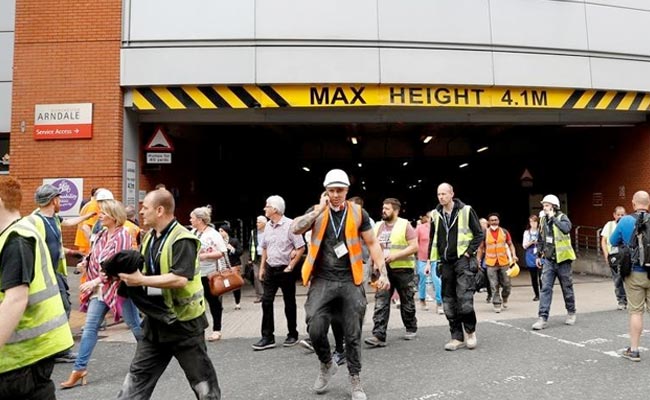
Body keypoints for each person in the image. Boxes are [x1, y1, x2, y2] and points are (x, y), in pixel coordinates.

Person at [291, 168, 390, 400]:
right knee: (314, 326)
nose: (335, 194)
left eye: (340, 190)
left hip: (350, 279)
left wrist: (381, 272)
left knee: (352, 333)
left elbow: (373, 243)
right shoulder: (316, 211)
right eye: (331, 190)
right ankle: (326, 363)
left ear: (347, 191)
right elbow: (296, 228)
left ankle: (355, 379)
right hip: (323, 279)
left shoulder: (358, 213)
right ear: (325, 191)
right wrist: (318, 211)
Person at [117, 189, 221, 399]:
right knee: (135, 382)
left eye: (145, 207)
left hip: (184, 326)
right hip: (156, 323)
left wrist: (141, 281)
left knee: (204, 387)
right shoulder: (149, 238)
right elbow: (149, 272)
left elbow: (180, 279)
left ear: (160, 210)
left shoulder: (183, 239)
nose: (141, 212)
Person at [0, 176, 74, 399]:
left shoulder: (17, 238)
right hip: (24, 355)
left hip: (22, 356)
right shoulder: (16, 233)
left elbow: (16, 299)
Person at [61, 199, 143, 389]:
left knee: (135, 326)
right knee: (90, 328)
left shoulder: (123, 235)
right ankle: (79, 369)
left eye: (104, 213)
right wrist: (85, 264)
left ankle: (151, 354)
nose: (100, 215)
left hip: (118, 289)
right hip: (100, 291)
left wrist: (95, 281)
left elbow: (118, 264)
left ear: (114, 216)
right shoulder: (101, 234)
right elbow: (93, 255)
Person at [28, 184, 94, 363]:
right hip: (44, 274)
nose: (61, 201)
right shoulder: (35, 221)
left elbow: (69, 224)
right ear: (53, 200)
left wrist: (88, 216)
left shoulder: (54, 219)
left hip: (56, 272)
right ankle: (56, 349)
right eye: (58, 198)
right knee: (56, 309)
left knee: (61, 307)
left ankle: (55, 348)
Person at [427, 183, 483, 351]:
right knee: (448, 302)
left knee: (464, 300)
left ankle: (470, 332)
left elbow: (479, 233)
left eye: (444, 193)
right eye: (438, 194)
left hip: (462, 261)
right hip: (445, 263)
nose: (441, 197)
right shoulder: (436, 214)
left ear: (452, 194)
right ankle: (456, 337)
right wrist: (432, 261)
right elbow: (433, 239)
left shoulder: (466, 211)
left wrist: (468, 253)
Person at [252, 195, 306, 350]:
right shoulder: (267, 226)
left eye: (267, 206)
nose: (265, 209)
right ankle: (267, 337)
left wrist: (292, 265)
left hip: (285, 269)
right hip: (270, 267)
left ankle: (292, 334)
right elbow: (264, 247)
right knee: (266, 301)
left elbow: (301, 246)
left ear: (275, 209)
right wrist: (262, 268)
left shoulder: (290, 225)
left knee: (289, 302)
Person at [365, 197, 418, 347]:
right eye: (383, 208)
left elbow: (414, 247)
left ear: (396, 210)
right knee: (381, 301)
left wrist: (395, 256)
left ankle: (410, 326)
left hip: (403, 269)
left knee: (407, 300)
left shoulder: (405, 225)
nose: (383, 211)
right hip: (384, 271)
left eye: (387, 209)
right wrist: (374, 263)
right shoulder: (378, 226)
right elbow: (373, 246)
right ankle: (379, 335)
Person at [609, 190, 650, 362]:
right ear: (648, 204)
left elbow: (612, 241)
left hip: (634, 273)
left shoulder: (625, 220)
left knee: (636, 312)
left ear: (633, 204)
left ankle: (634, 351)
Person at [532, 194, 577, 330]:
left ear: (553, 206)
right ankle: (542, 317)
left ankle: (571, 312)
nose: (544, 208)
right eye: (543, 205)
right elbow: (541, 239)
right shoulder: (542, 220)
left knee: (566, 287)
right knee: (545, 288)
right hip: (549, 260)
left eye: (546, 205)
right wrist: (539, 255)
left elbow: (566, 228)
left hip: (563, 260)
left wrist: (553, 219)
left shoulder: (562, 218)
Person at [190, 206, 228, 342]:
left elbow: (222, 252)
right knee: (196, 302)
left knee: (213, 302)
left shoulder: (213, 234)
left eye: (192, 218)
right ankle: (198, 329)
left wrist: (205, 256)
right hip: (195, 274)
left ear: (200, 220)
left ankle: (217, 330)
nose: (190, 220)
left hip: (211, 274)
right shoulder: (193, 232)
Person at [479, 213, 518, 313]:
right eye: (491, 220)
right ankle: (497, 303)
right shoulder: (484, 233)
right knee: (493, 284)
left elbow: (510, 244)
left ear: (499, 221)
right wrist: (478, 260)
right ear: (488, 222)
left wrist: (513, 255)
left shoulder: (504, 232)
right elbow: (481, 248)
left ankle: (505, 297)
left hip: (504, 262)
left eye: (495, 220)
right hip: (490, 263)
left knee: (507, 284)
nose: (494, 222)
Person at [600, 206, 628, 310]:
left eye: (622, 214)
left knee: (628, 279)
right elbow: (604, 241)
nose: (620, 216)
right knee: (617, 279)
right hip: (614, 257)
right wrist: (606, 254)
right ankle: (621, 300)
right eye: (618, 214)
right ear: (614, 215)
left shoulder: (627, 225)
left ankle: (629, 299)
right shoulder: (609, 225)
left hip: (625, 256)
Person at [415, 212, 443, 314]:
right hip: (422, 257)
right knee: (422, 278)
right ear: (428, 217)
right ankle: (422, 299)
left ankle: (439, 303)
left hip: (435, 257)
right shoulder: (420, 228)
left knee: (437, 281)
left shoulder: (440, 228)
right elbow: (415, 242)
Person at [219, 224, 244, 310]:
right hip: (222, 266)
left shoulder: (234, 241)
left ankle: (238, 303)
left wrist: (232, 249)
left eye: (222, 231)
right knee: (220, 285)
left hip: (233, 265)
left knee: (235, 284)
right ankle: (220, 305)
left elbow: (240, 252)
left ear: (226, 232)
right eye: (219, 231)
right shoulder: (217, 241)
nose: (220, 233)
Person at [248, 215, 267, 303]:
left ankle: (267, 294)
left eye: (259, 222)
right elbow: (250, 244)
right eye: (257, 222)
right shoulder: (253, 232)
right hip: (256, 256)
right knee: (256, 276)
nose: (257, 224)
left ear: (264, 223)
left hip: (267, 256)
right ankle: (259, 295)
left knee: (266, 275)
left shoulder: (269, 231)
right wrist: (249, 257)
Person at [523, 215, 542, 301]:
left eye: (534, 222)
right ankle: (536, 294)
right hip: (530, 255)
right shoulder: (527, 232)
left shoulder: (541, 231)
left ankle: (543, 293)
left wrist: (538, 242)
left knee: (542, 276)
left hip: (540, 254)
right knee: (533, 277)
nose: (533, 224)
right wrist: (531, 242)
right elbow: (524, 246)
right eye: (531, 222)